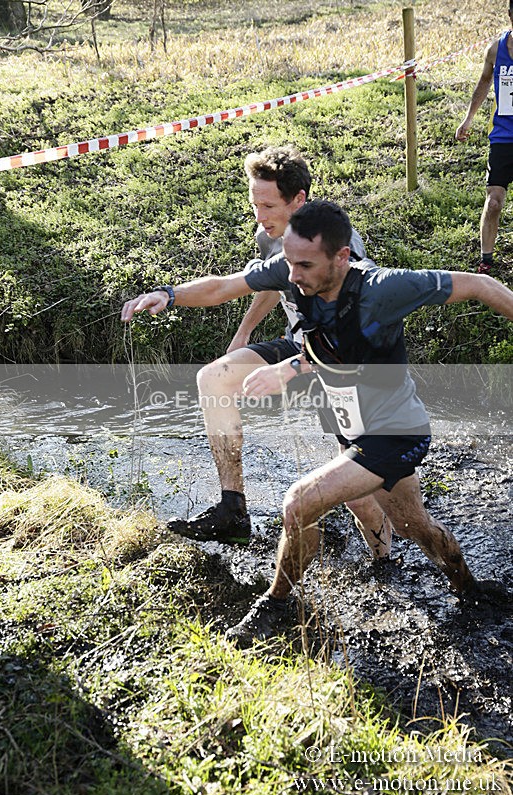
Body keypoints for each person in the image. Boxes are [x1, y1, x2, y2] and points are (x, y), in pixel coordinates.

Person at [121, 200, 513, 647]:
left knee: (299, 502)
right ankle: (470, 589)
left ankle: (276, 605)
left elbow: (480, 284)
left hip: (394, 431)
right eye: (288, 262)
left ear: (342, 257)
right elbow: (224, 286)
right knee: (412, 526)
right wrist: (170, 295)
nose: (292, 276)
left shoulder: (384, 288)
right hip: (354, 426)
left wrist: (289, 369)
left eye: (304, 265)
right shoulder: (293, 269)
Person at [156, 144, 395, 561]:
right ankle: (233, 509)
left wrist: (294, 368)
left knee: (357, 494)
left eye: (267, 205)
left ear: (298, 201)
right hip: (298, 342)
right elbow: (268, 281)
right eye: (253, 204)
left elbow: (348, 331)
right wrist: (244, 332)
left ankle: (384, 559)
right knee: (214, 377)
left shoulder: (334, 243)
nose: (259, 215)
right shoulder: (267, 236)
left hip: (343, 361)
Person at [456, 3, 513, 274]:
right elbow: (483, 83)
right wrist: (468, 119)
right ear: (510, 17)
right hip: (503, 135)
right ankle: (486, 260)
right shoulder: (495, 49)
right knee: (493, 203)